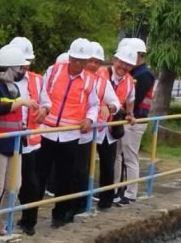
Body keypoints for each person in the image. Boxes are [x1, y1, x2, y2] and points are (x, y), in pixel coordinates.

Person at [33, 38, 102, 228]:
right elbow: (41, 93)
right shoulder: (53, 71)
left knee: (65, 179)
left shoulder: (90, 80)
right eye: (76, 60)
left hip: (70, 135)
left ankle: (60, 217)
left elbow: (94, 105)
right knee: (38, 176)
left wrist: (89, 119)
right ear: (69, 57)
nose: (78, 64)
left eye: (83, 60)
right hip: (46, 132)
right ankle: (29, 218)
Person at [0, 45, 33, 243]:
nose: (21, 73)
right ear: (10, 68)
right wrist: (21, 102)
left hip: (13, 144)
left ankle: (3, 227)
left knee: (14, 187)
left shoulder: (14, 88)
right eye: (19, 68)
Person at [66, 42, 119, 219]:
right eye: (91, 61)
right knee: (67, 171)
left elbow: (116, 103)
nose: (94, 65)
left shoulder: (102, 83)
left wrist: (109, 107)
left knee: (82, 171)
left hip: (88, 133)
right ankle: (65, 208)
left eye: (97, 62)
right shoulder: (67, 76)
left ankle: (79, 206)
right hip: (66, 131)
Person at [8, 37, 44, 236]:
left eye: (26, 63)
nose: (24, 67)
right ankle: (3, 222)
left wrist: (44, 111)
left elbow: (47, 102)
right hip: (7, 140)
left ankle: (29, 221)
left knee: (30, 182)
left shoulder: (37, 80)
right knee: (7, 185)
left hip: (30, 141)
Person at [95, 46, 137, 210]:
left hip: (110, 128)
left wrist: (130, 114)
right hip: (92, 126)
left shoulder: (129, 81)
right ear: (114, 60)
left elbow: (130, 99)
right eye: (122, 62)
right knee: (82, 166)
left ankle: (106, 201)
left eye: (128, 65)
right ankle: (78, 203)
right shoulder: (99, 73)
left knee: (108, 165)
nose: (124, 67)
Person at [115, 37, 155, 205]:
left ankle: (131, 193)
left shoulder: (144, 75)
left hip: (135, 121)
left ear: (139, 55)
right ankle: (117, 189)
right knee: (117, 156)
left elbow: (134, 100)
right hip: (125, 120)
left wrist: (117, 107)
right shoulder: (133, 73)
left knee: (130, 157)